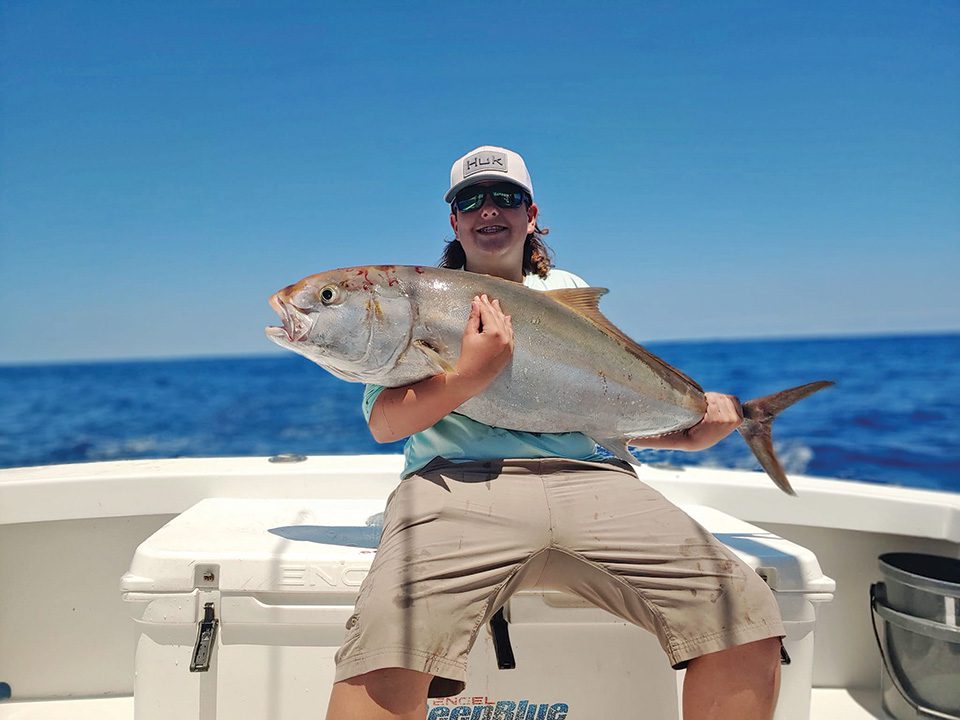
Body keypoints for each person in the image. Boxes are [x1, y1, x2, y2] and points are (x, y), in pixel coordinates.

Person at [325, 146, 785, 720]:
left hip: (594, 481)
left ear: (531, 213)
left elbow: (595, 406)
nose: (488, 209)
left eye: (505, 197)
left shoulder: (567, 290)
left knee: (744, 613)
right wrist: (469, 375)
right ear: (454, 220)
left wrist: (689, 430)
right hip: (456, 489)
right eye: (471, 200)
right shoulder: (415, 299)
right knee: (390, 640)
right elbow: (384, 424)